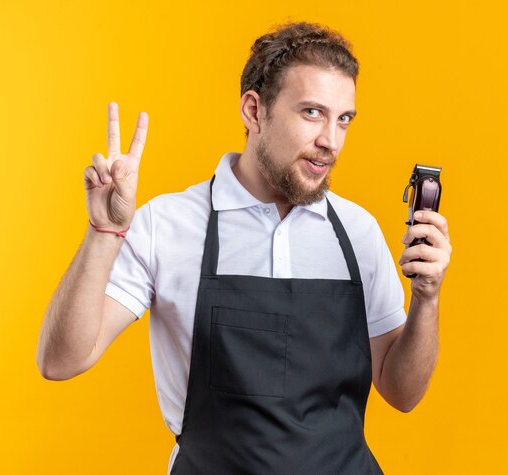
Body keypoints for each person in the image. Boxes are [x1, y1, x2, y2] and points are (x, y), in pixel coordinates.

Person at [37, 21, 451, 475]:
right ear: (254, 111)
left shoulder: (358, 232)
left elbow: (402, 392)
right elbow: (61, 361)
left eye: (343, 119)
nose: (330, 141)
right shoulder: (167, 224)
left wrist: (426, 298)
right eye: (312, 112)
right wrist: (103, 233)